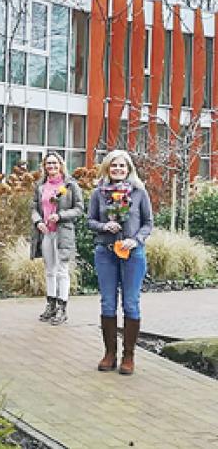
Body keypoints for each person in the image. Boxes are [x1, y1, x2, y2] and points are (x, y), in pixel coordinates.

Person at [87, 150, 153, 375]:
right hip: (106, 252)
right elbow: (90, 220)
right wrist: (104, 227)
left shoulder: (139, 192)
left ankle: (129, 356)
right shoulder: (98, 193)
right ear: (107, 168)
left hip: (132, 254)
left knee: (131, 303)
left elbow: (148, 223)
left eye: (122, 166)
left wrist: (136, 240)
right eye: (113, 166)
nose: (117, 170)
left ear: (129, 169)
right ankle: (109, 353)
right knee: (107, 302)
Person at [30, 152, 85, 326]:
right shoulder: (40, 186)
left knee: (62, 270)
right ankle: (51, 304)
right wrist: (38, 221)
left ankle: (62, 308)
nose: (51, 166)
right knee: (49, 270)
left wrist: (60, 215)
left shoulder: (70, 185)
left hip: (63, 233)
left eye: (55, 163)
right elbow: (33, 207)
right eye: (48, 164)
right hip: (46, 233)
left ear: (61, 165)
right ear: (44, 166)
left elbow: (79, 209)